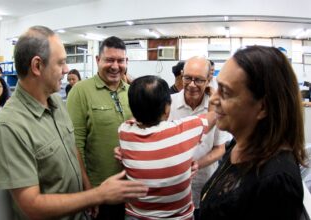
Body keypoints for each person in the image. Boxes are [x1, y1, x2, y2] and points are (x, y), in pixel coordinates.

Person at [0, 26, 148, 220]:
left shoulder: (55, 101)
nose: (66, 70)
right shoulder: (9, 126)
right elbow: (31, 206)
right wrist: (97, 194)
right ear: (37, 66)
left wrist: (88, 192)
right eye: (62, 63)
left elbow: (72, 146)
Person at [198, 46, 307, 220]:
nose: (212, 99)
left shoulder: (276, 180)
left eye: (225, 92)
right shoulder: (239, 144)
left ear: (262, 107)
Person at [119, 75, 216, 219]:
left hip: (136, 215)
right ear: (166, 109)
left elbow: (136, 119)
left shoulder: (124, 131)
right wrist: (213, 95)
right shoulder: (184, 130)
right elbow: (213, 115)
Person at [67, 36, 132, 220]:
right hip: (100, 192)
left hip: (130, 191)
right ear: (97, 60)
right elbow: (74, 145)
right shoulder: (80, 91)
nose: (115, 66)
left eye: (120, 60)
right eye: (109, 60)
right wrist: (89, 193)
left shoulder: (131, 92)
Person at [168, 56, 231, 218]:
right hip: (172, 187)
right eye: (188, 78)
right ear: (181, 75)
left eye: (199, 80)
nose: (192, 85)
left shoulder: (215, 106)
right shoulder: (168, 103)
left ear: (209, 79)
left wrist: (197, 164)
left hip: (205, 184)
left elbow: (220, 148)